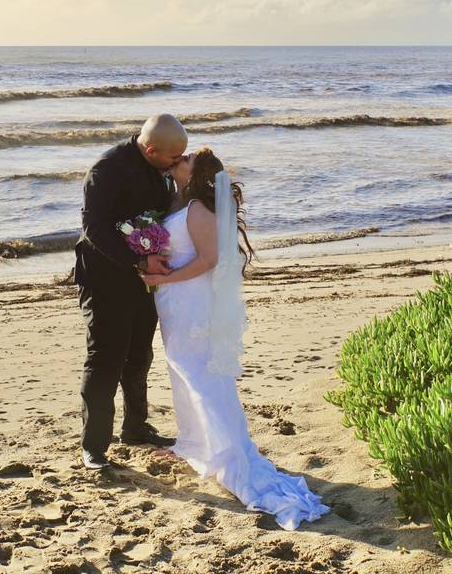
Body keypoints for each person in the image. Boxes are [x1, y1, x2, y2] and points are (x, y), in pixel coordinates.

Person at [141, 147, 330, 530]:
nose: (180, 158)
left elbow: (208, 261)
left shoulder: (196, 210)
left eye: (186, 158)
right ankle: (196, 442)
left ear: (196, 174)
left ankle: (226, 453)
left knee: (202, 376)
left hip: (191, 300)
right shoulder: (177, 201)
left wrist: (163, 278)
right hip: (176, 303)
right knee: (183, 371)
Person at [74, 113, 188, 470]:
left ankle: (136, 428)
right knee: (106, 359)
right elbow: (94, 228)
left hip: (144, 280)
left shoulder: (161, 168)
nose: (176, 164)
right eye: (172, 159)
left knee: (139, 357)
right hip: (105, 278)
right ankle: (93, 446)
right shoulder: (106, 170)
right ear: (151, 148)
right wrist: (139, 262)